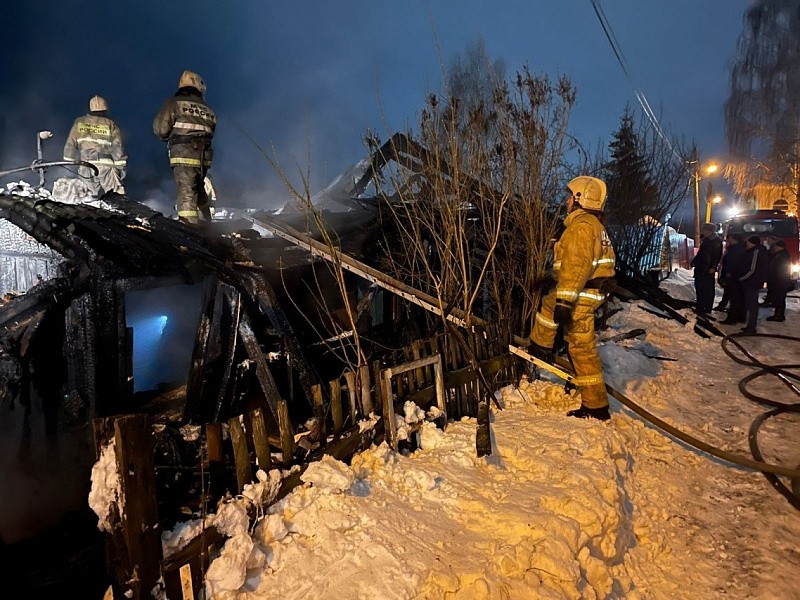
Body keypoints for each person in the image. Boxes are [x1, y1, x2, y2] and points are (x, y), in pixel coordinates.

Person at [528, 176, 616, 421]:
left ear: (580, 199)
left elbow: (576, 267)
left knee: (581, 348)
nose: (566, 201)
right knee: (549, 303)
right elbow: (573, 267)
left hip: (581, 294)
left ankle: (596, 406)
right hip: (587, 290)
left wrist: (564, 301)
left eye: (570, 196)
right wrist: (552, 283)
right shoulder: (593, 225)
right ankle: (541, 346)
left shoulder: (581, 226)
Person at [153, 70, 216, 225]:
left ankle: (189, 227)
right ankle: (207, 223)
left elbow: (160, 129)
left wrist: (169, 137)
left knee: (187, 192)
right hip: (204, 156)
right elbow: (211, 130)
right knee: (199, 189)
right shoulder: (207, 109)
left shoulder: (174, 104)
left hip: (183, 154)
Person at [63, 95, 127, 196]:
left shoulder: (79, 123)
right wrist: (121, 167)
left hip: (85, 165)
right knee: (116, 198)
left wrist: (70, 161)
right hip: (106, 167)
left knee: (90, 199)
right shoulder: (110, 124)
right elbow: (118, 147)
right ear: (105, 109)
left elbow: (70, 145)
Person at [690, 222, 723, 314]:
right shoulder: (707, 240)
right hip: (702, 267)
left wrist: (713, 266)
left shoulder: (715, 241)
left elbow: (716, 255)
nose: (703, 231)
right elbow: (701, 253)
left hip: (707, 268)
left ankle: (705, 307)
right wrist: (695, 261)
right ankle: (701, 305)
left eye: (704, 230)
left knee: (706, 288)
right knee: (700, 287)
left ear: (710, 231)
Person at [738, 235, 768, 334]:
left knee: (752, 305)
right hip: (751, 282)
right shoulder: (754, 251)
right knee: (751, 305)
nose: (746, 244)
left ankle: (751, 327)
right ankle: (750, 326)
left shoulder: (756, 252)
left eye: (748, 242)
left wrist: (742, 278)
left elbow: (752, 269)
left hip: (752, 282)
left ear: (752, 243)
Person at [714, 232, 745, 312]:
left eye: (729, 238)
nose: (727, 240)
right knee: (728, 291)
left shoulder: (736, 250)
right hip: (731, 274)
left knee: (732, 293)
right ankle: (723, 306)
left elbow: (733, 263)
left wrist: (728, 273)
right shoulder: (733, 248)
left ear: (734, 239)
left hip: (732, 275)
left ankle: (732, 312)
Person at [765, 239, 792, 322]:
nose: (774, 248)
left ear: (779, 247)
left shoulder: (782, 256)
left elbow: (780, 269)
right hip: (779, 281)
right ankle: (778, 314)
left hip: (780, 281)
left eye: (776, 246)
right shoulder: (781, 254)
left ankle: (779, 315)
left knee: (779, 299)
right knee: (778, 298)